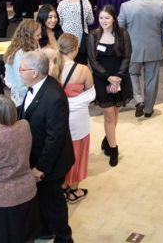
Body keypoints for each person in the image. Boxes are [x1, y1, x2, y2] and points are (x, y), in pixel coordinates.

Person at [17, 51, 75, 242]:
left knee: (53, 201)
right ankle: (45, 229)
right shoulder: (36, 85)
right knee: (41, 198)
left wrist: (40, 168)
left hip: (51, 162)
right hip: (38, 153)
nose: (19, 71)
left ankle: (63, 236)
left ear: (34, 72)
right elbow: (26, 110)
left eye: (22, 68)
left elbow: (54, 138)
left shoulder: (54, 97)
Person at [0, 94, 39, 243]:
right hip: (27, 190)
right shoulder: (24, 125)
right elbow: (12, 143)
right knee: (27, 235)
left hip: (3, 199)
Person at [49, 34, 96, 203]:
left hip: (57, 117)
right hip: (78, 119)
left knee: (60, 151)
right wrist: (76, 102)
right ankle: (74, 190)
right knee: (78, 151)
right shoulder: (83, 70)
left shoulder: (51, 67)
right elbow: (92, 94)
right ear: (75, 49)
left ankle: (61, 186)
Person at [117, 0, 163, 118]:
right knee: (151, 79)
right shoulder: (160, 5)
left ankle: (138, 100)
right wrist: (162, 43)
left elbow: (119, 29)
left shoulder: (126, 6)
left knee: (131, 74)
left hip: (132, 49)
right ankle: (148, 110)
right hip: (154, 48)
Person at [87, 5, 133, 166]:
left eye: (107, 18)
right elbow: (93, 61)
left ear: (114, 18)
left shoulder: (123, 34)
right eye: (101, 18)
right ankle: (114, 149)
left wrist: (118, 77)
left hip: (121, 78)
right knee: (109, 114)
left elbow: (127, 56)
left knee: (116, 111)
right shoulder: (93, 35)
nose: (104, 21)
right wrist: (108, 78)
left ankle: (108, 139)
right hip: (102, 79)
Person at [56, 0, 95, 65]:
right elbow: (91, 21)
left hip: (66, 40)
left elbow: (59, 22)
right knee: (81, 65)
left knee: (66, 64)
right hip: (82, 41)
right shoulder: (85, 2)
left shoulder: (62, 5)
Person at [4, 19, 41, 105]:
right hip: (23, 97)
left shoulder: (34, 45)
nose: (40, 37)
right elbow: (21, 83)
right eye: (37, 35)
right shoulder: (19, 55)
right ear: (29, 37)